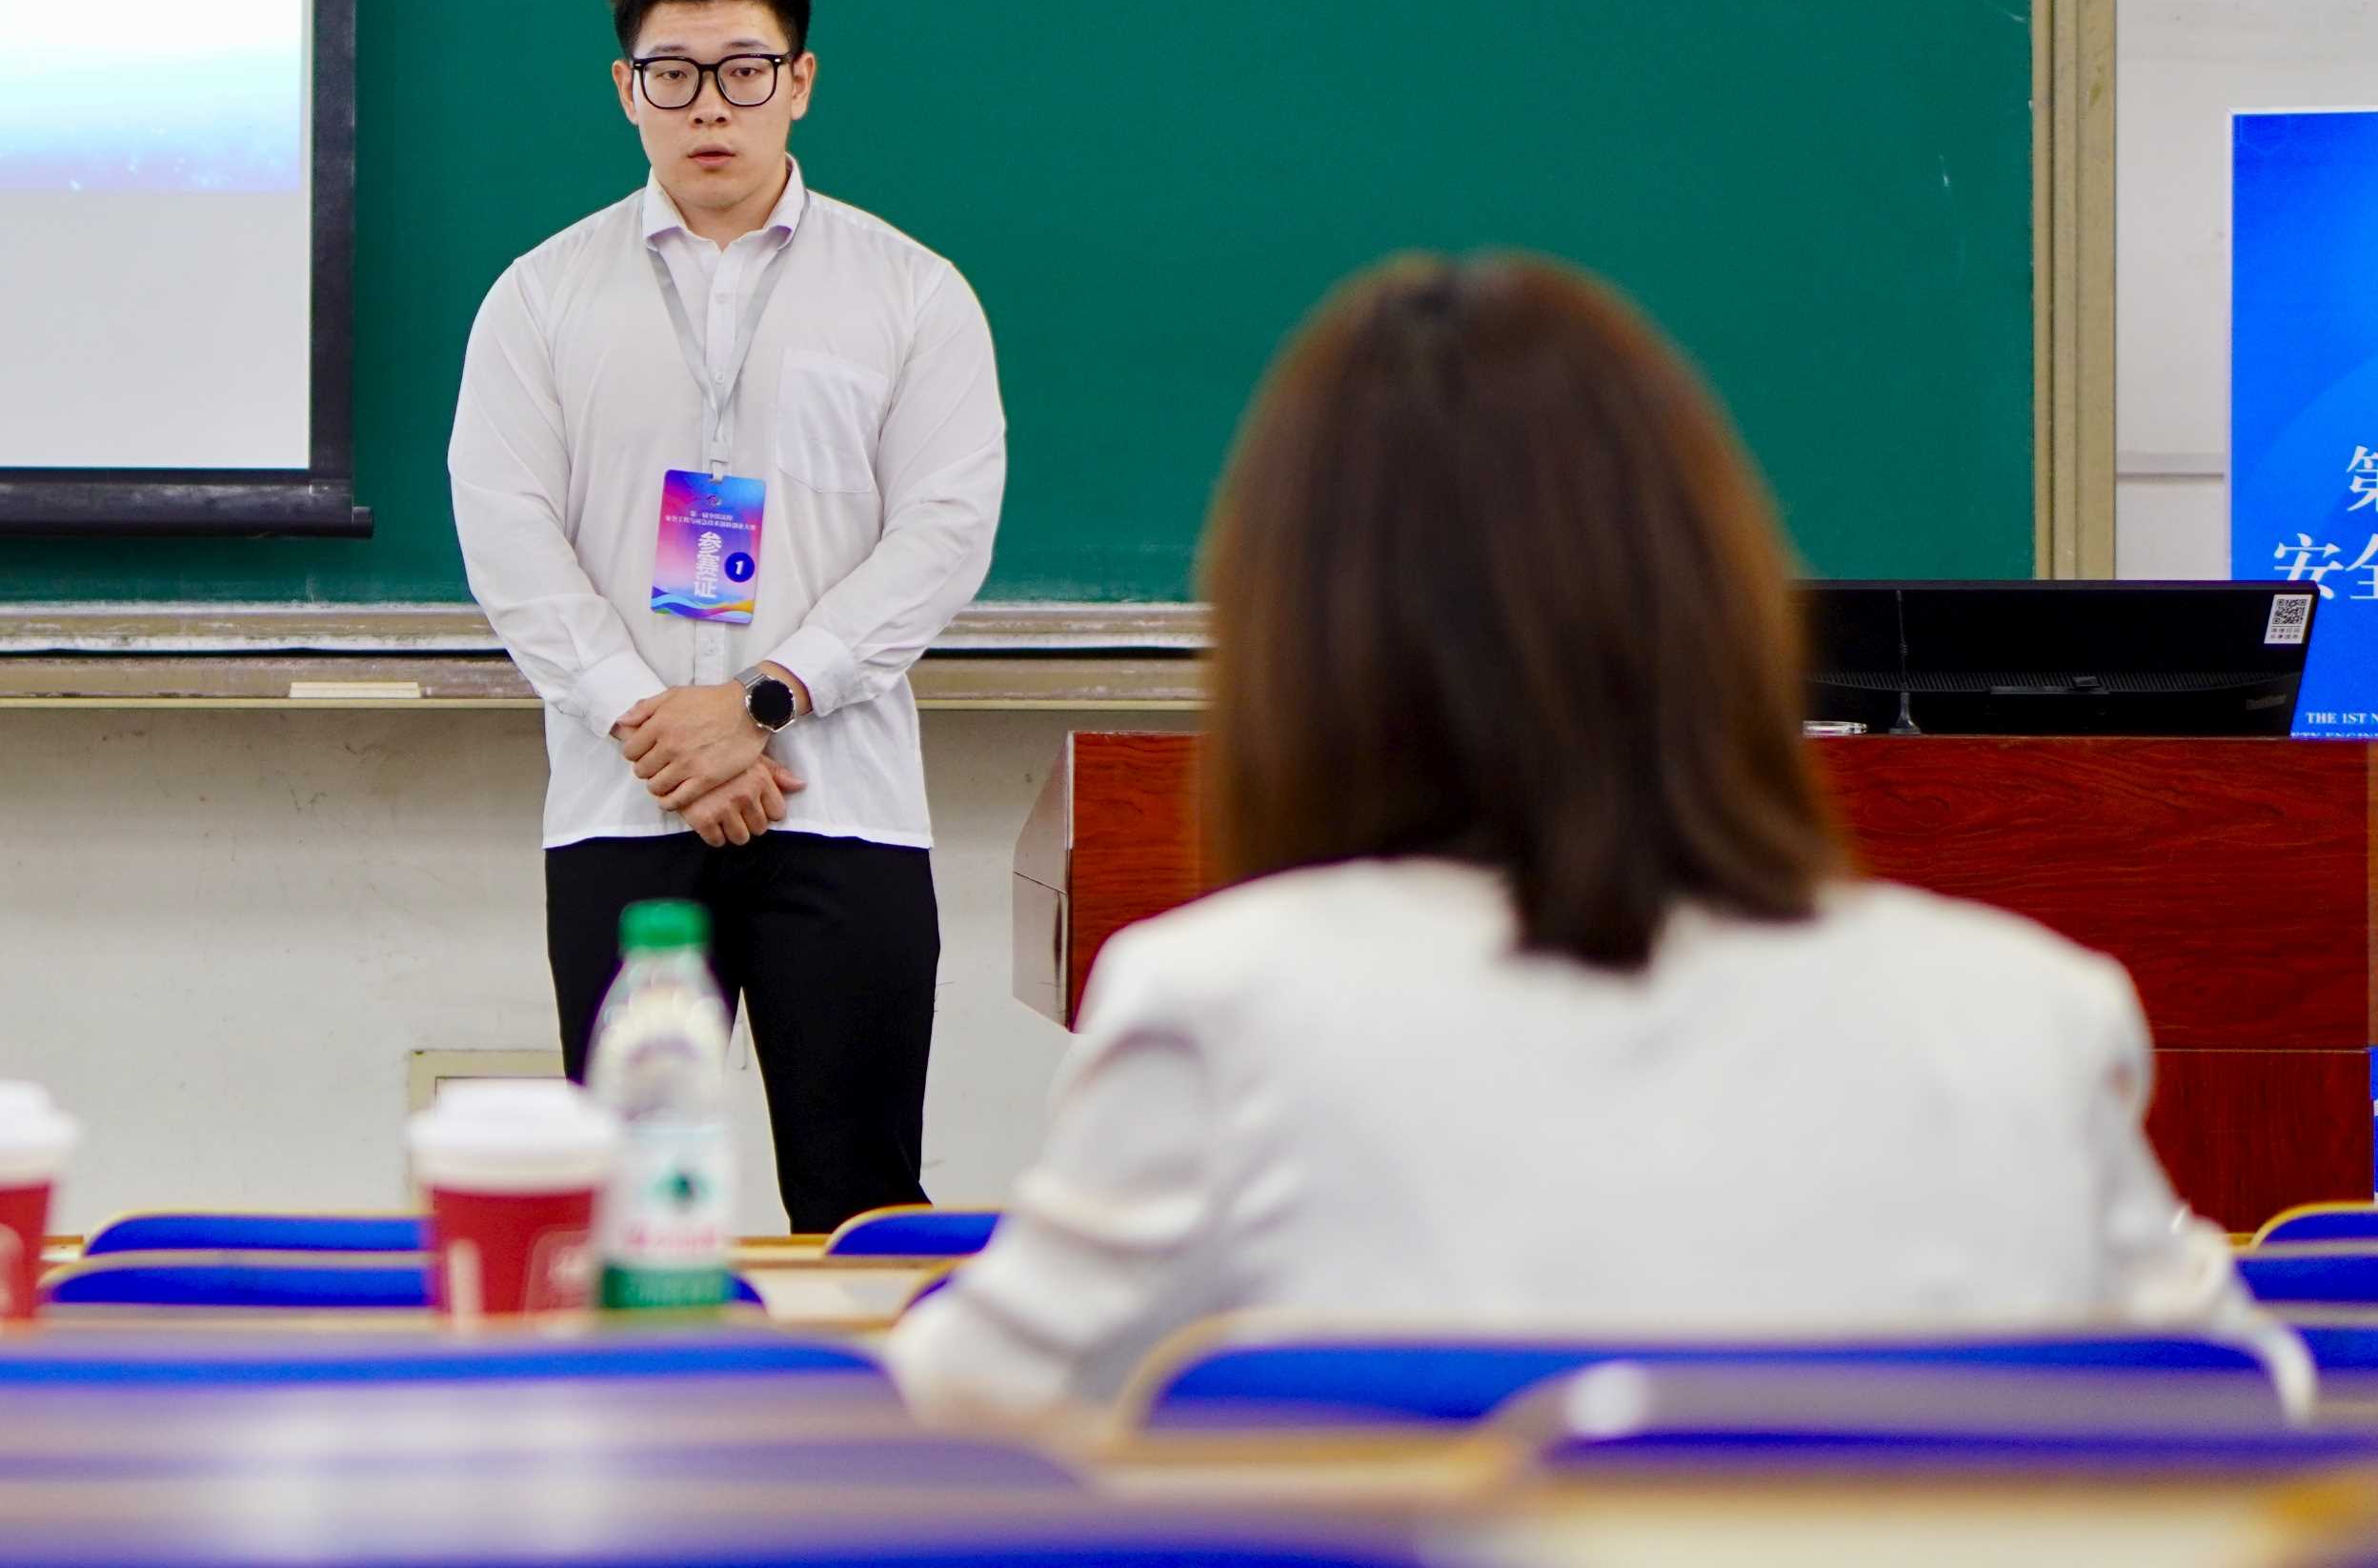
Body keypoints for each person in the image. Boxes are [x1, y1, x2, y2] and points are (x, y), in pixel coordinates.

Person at [882, 254, 2300, 1419]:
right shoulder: (2027, 1019)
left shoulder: (1220, 1016)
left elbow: (943, 1434)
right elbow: (2260, 1408)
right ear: (1719, 597)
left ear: (1295, 642)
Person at [449, 0, 1005, 1235]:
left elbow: (945, 530)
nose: (710, 105)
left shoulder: (912, 292)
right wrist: (651, 723)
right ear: (624, 88)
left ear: (800, 81)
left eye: (745, 70)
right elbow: (506, 530)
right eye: (674, 73)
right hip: (625, 804)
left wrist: (763, 699)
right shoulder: (540, 297)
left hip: (841, 801)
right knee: (627, 1215)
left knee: (862, 1203)